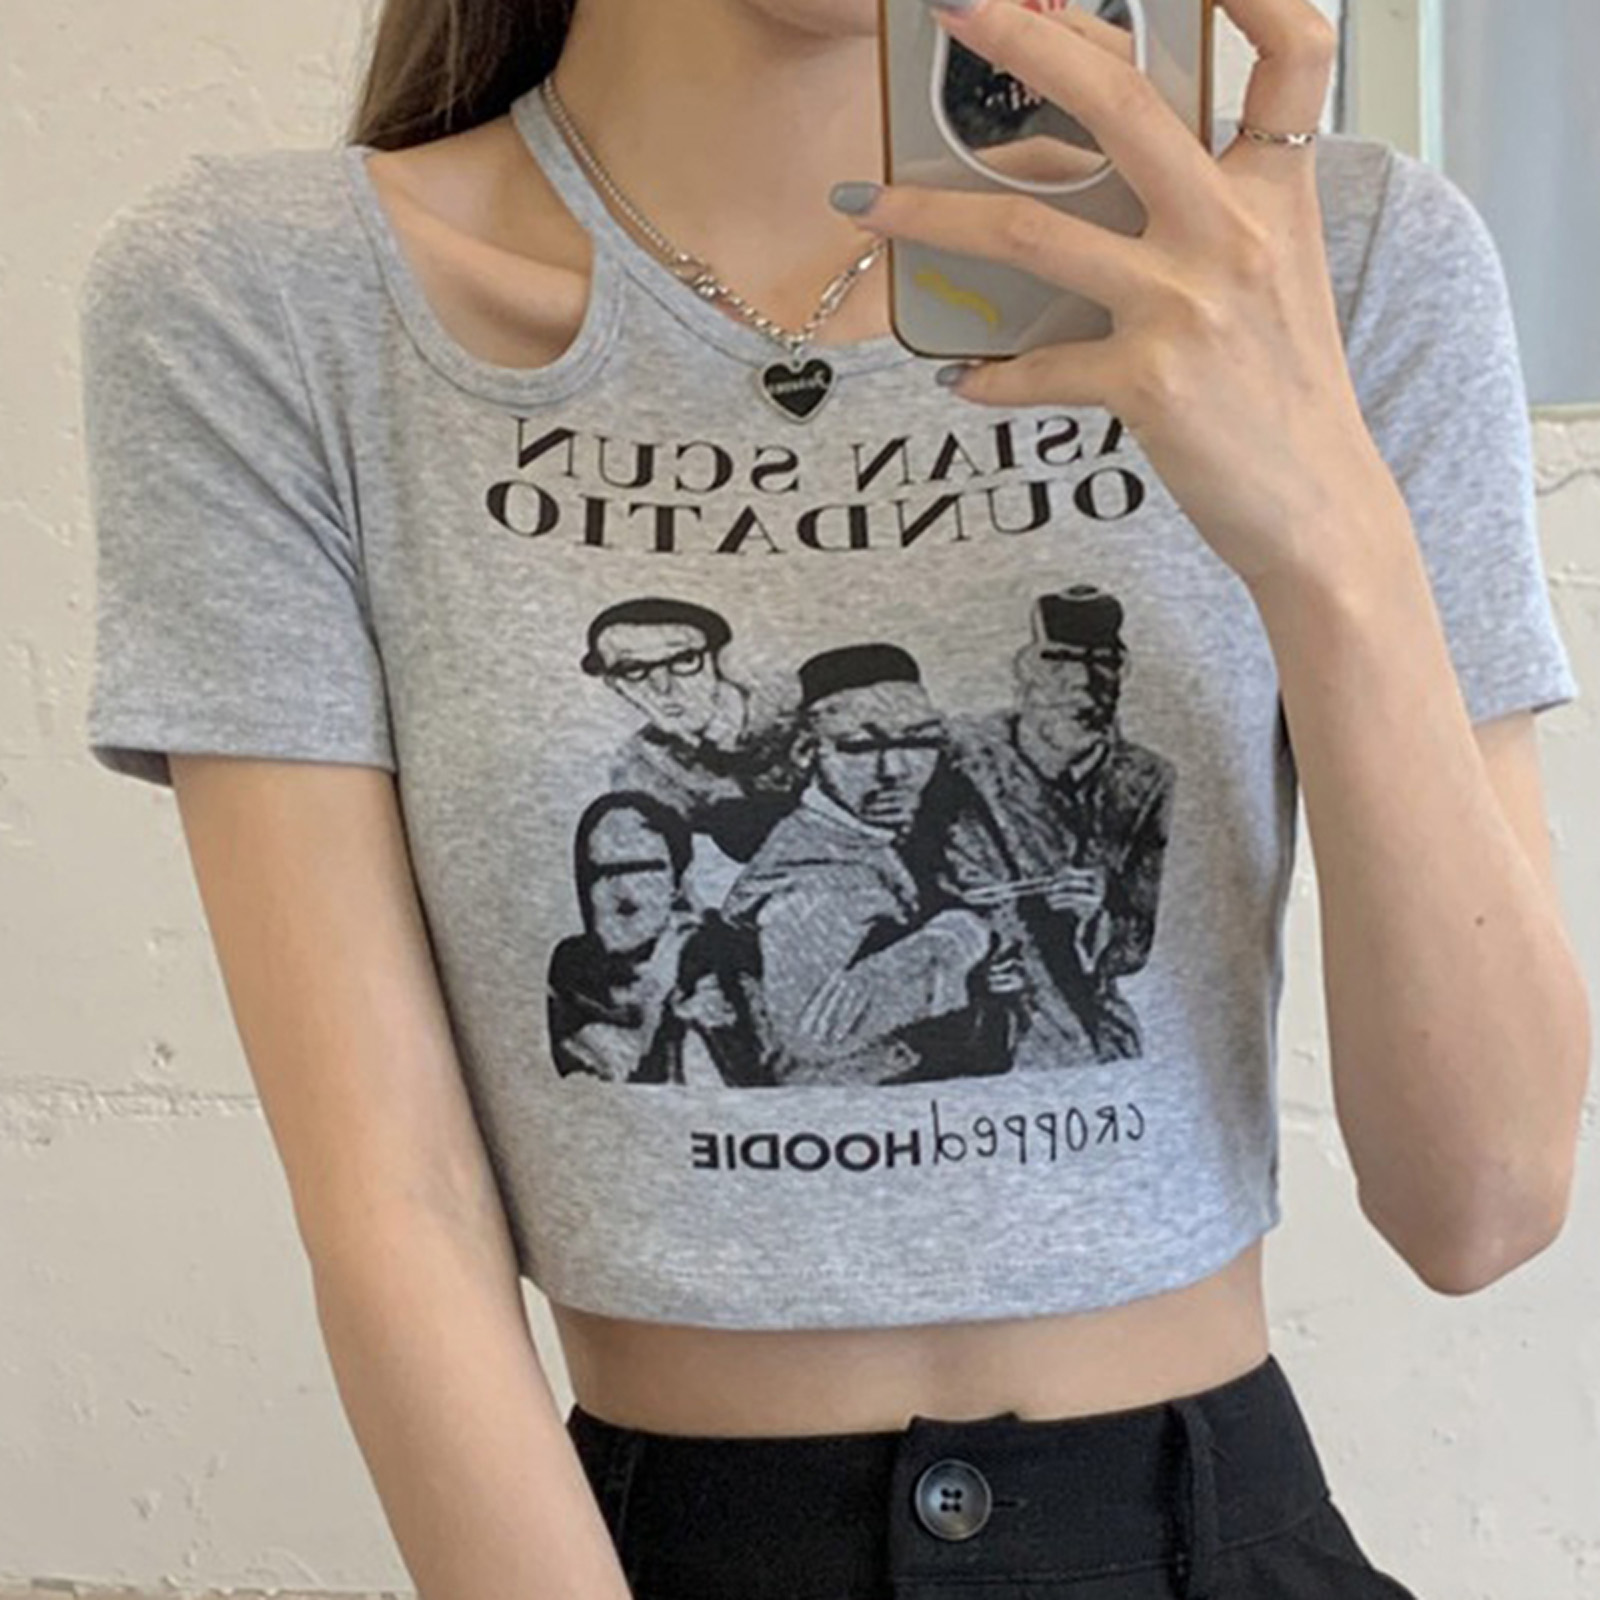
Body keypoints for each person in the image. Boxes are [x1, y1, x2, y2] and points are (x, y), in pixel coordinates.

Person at [77, 0, 1589, 1598]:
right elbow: (398, 1207)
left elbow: (1482, 1203)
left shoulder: (1335, 260)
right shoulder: (276, 300)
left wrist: (1329, 540)